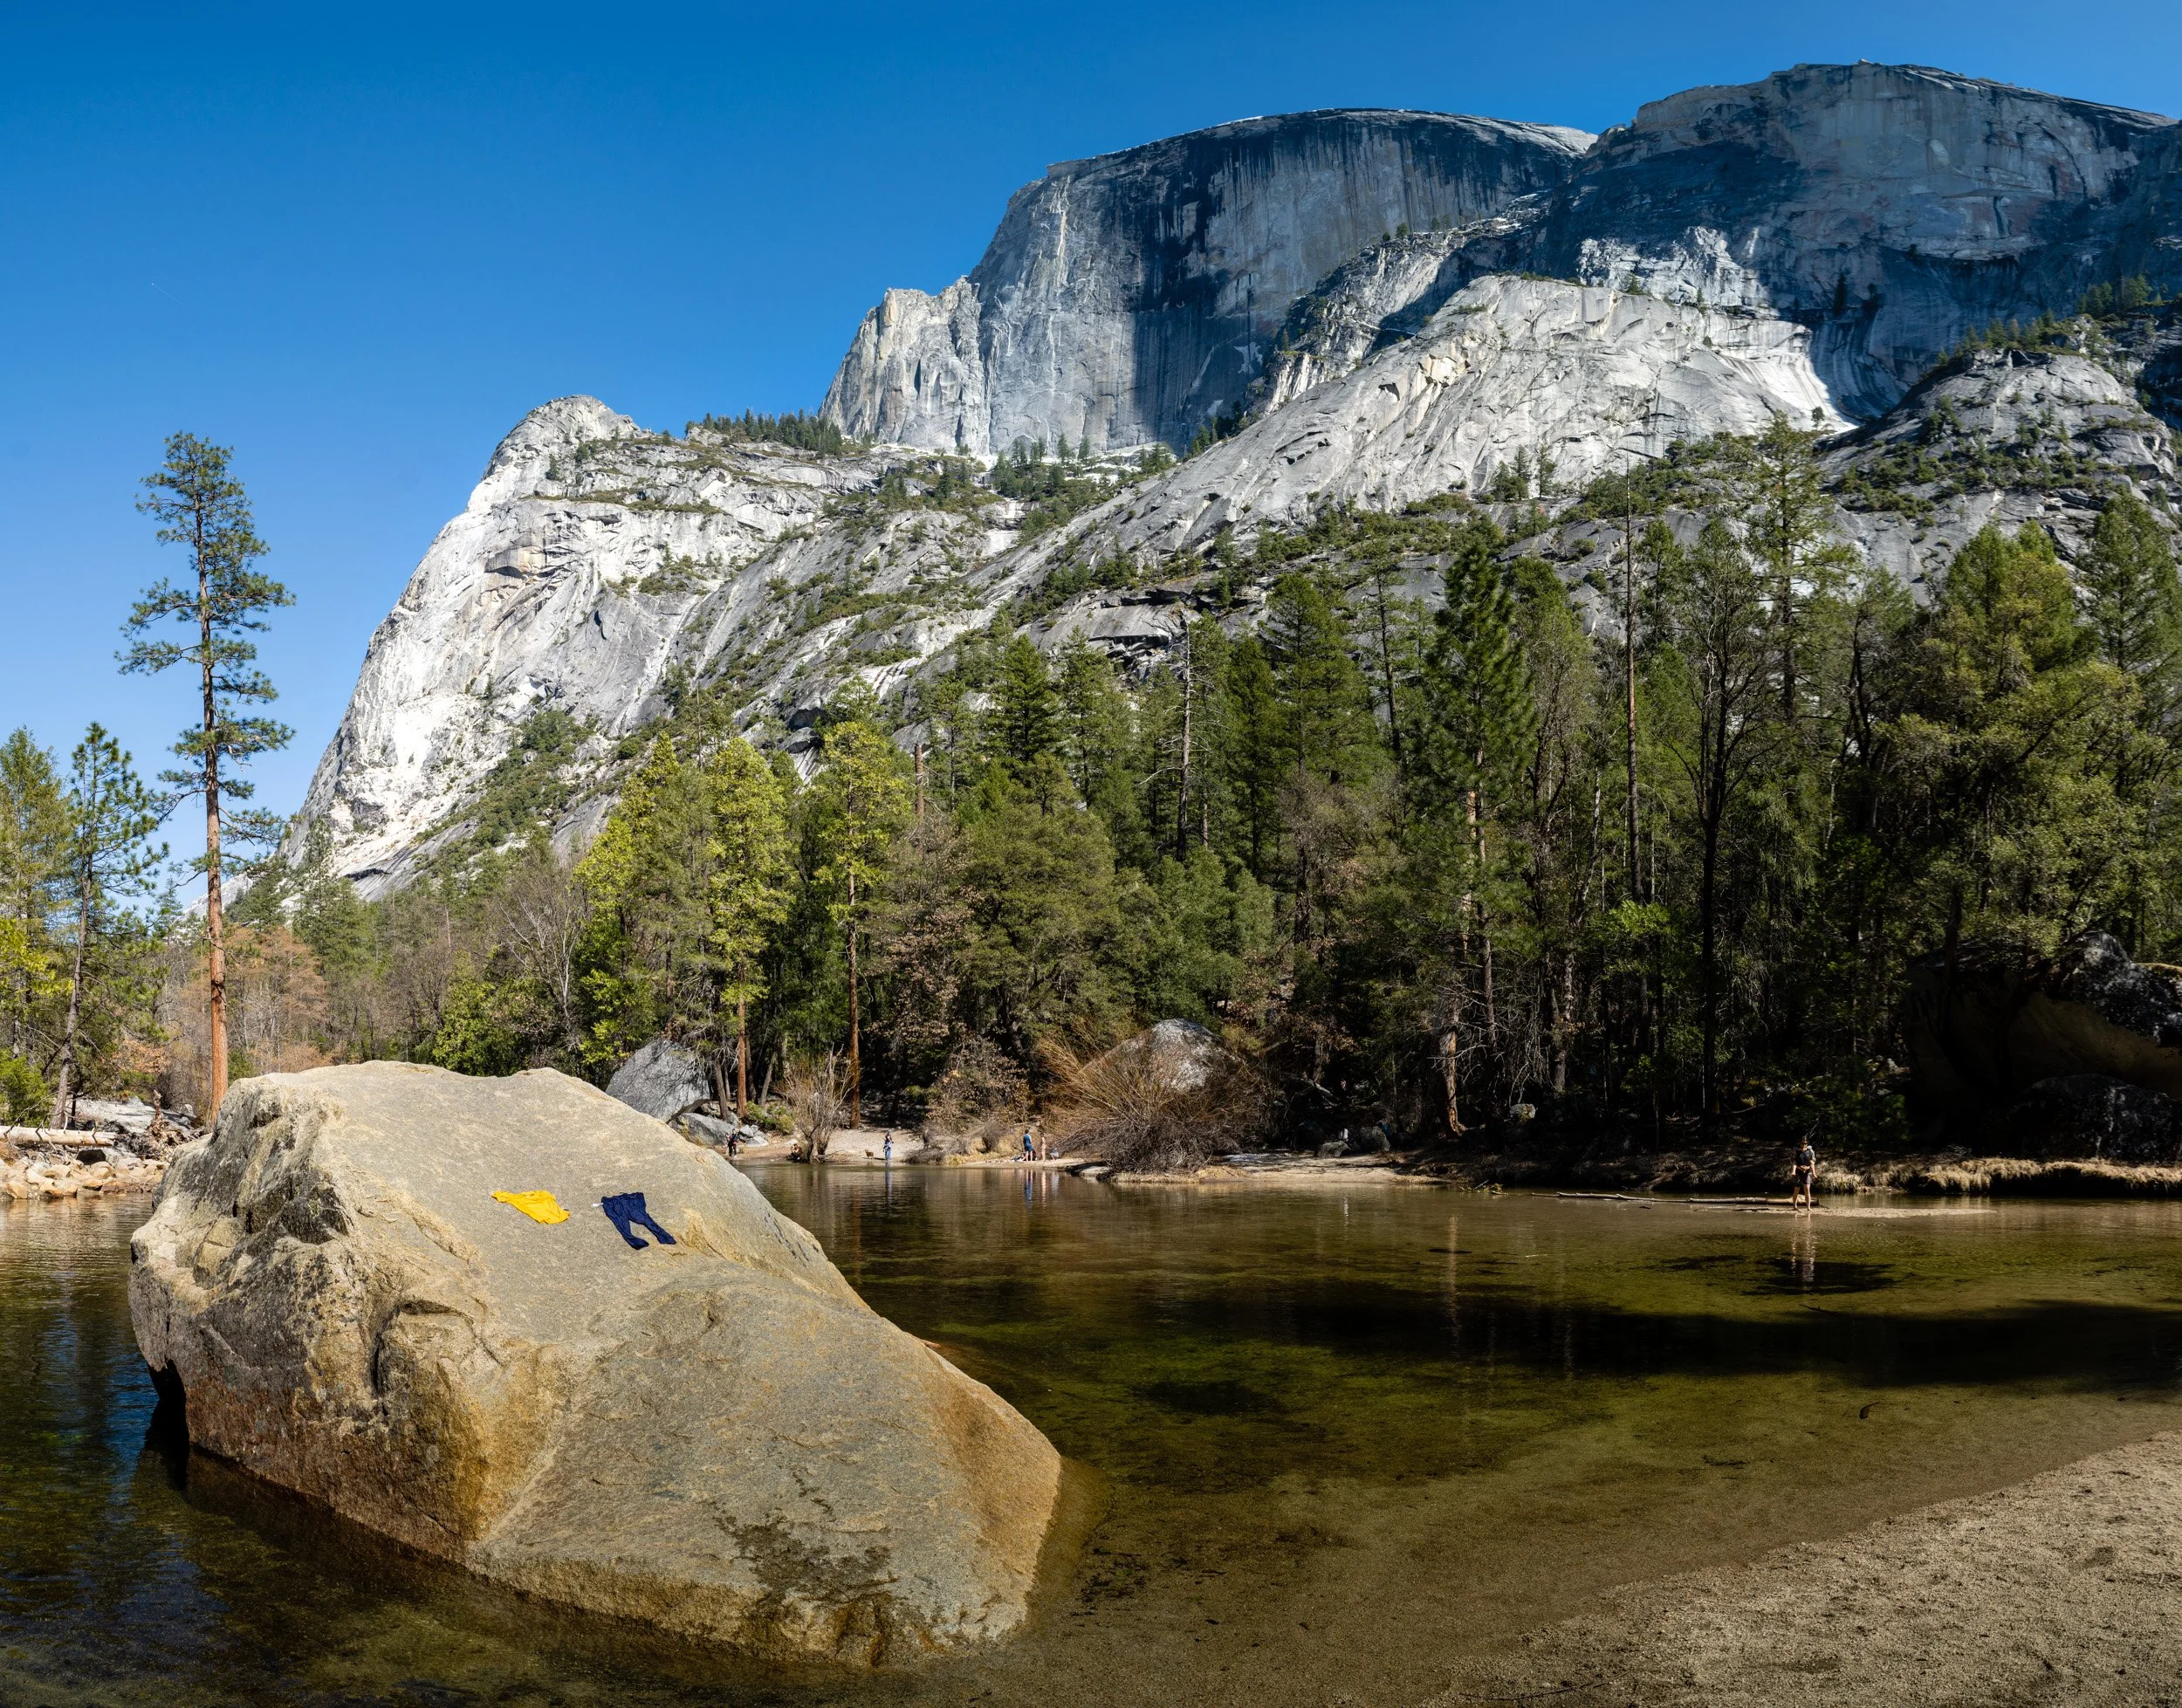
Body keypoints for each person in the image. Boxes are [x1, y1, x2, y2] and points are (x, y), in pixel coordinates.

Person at [1791, 1135, 1818, 1211]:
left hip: (1807, 1173)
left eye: (1805, 1143)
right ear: (1800, 1143)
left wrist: (1808, 1168)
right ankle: (1794, 1206)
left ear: (1807, 1143)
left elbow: (1813, 1162)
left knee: (1807, 1190)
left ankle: (1808, 1207)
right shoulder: (1796, 1151)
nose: (1804, 1145)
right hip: (1798, 1172)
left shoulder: (1811, 1151)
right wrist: (1800, 1167)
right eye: (1802, 1143)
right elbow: (1793, 1161)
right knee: (1796, 1190)